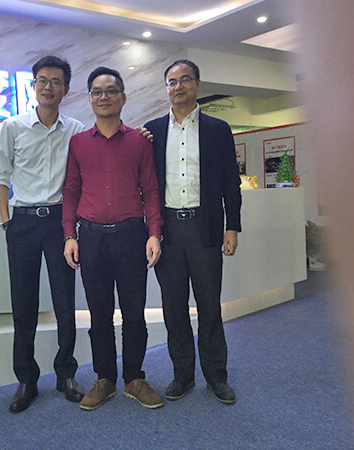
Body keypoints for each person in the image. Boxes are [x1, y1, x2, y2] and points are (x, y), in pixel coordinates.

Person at [62, 66, 164, 410]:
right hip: (91, 239)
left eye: (110, 91)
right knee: (99, 315)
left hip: (132, 236)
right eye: (97, 91)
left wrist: (154, 233)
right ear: (90, 98)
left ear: (123, 97)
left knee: (134, 313)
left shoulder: (139, 141)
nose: (103, 96)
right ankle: (104, 379)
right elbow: (71, 190)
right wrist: (69, 235)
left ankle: (134, 378)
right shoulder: (78, 143)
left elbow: (151, 190)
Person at [144, 59, 242, 404]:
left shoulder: (218, 129)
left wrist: (233, 226)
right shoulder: (152, 132)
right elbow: (146, 185)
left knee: (209, 307)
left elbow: (231, 183)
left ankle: (216, 377)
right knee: (174, 308)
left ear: (197, 84)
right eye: (172, 82)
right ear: (166, 88)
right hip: (168, 231)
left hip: (206, 229)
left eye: (185, 79)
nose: (178, 86)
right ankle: (182, 376)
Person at [0, 55, 85, 413]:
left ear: (66, 89)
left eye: (56, 81)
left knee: (65, 302)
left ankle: (65, 374)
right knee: (24, 305)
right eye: (42, 80)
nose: (49, 87)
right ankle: (27, 379)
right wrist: (7, 222)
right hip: (23, 223)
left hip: (61, 224)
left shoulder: (75, 129)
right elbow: (0, 177)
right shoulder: (13, 127)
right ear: (33, 86)